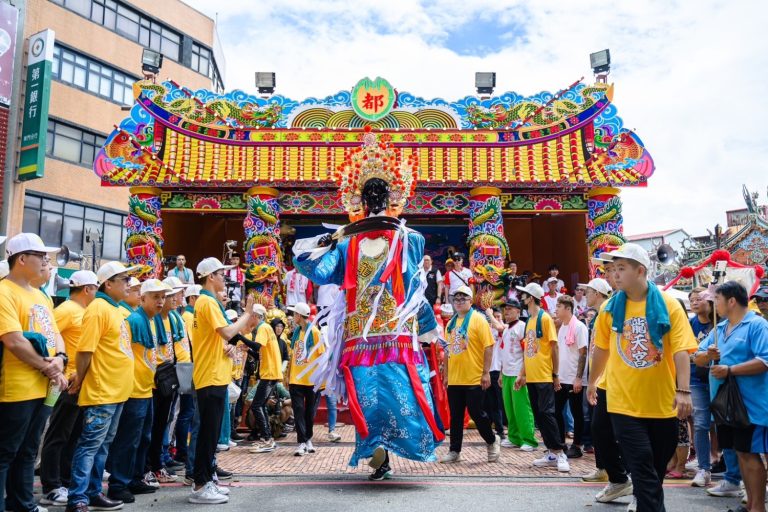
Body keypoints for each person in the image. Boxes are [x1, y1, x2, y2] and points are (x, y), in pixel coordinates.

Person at [293, 131, 442, 481]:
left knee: (402, 394)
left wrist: (425, 325)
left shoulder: (410, 240)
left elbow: (415, 288)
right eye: (368, 194)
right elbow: (318, 270)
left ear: (392, 197)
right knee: (368, 399)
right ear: (359, 200)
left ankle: (398, 449)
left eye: (381, 193)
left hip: (396, 333)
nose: (374, 199)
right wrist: (327, 242)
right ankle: (379, 456)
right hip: (360, 336)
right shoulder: (347, 245)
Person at [587, 243, 697, 512]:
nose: (614, 274)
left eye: (621, 268)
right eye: (612, 269)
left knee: (654, 472)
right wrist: (592, 381)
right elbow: (601, 348)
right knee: (641, 464)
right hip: (622, 402)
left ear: (640, 271)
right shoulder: (610, 309)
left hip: (661, 404)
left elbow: (682, 349)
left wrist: (683, 390)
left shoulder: (669, 306)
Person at [0, 234, 67, 512]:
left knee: (28, 451)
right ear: (22, 259)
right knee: (6, 452)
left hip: (45, 387)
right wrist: (47, 366)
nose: (46, 262)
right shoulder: (4, 292)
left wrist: (61, 360)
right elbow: (13, 340)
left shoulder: (40, 295)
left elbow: (55, 335)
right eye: (41, 256)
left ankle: (23, 504)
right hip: (17, 388)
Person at [66, 261, 139, 512]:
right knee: (89, 445)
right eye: (124, 280)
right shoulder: (98, 308)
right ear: (108, 284)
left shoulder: (115, 309)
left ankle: (93, 492)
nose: (129, 284)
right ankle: (77, 498)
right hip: (102, 390)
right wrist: (80, 378)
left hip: (116, 391)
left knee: (102, 446)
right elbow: (85, 351)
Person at [188, 257, 257, 505]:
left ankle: (206, 479)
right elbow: (228, 332)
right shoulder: (207, 302)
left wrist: (226, 346)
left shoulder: (208, 302)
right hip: (210, 376)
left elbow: (220, 337)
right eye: (220, 274)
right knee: (208, 434)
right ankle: (200, 484)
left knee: (211, 433)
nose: (224, 279)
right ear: (210, 277)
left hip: (213, 373)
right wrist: (247, 313)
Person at [694, 281, 768, 512]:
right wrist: (708, 355)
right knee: (741, 454)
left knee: (750, 454)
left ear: (731, 301)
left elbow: (765, 360)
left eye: (716, 299)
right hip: (725, 405)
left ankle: (757, 507)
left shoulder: (756, 325)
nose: (713, 304)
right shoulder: (720, 328)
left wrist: (730, 370)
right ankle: (751, 506)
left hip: (751, 404)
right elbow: (696, 357)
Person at [105, 279, 171, 503]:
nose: (160, 301)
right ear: (142, 298)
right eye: (155, 297)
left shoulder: (153, 321)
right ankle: (118, 484)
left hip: (146, 389)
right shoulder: (134, 320)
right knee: (128, 439)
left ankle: (134, 478)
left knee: (143, 438)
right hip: (133, 390)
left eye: (163, 297)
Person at [40, 271, 98, 507]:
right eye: (95, 287)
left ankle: (64, 480)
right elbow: (49, 339)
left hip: (79, 382)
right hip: (64, 383)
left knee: (72, 435)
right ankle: (51, 486)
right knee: (58, 435)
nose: (97, 291)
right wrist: (57, 371)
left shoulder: (84, 311)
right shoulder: (65, 310)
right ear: (86, 289)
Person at [578, 277, 632, 504]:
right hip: (602, 381)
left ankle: (631, 482)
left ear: (598, 293)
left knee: (624, 433)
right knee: (599, 428)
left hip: (618, 381)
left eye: (588, 291)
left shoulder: (612, 312)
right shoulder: (600, 315)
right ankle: (613, 475)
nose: (584, 294)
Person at [439, 285, 500, 464]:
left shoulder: (478, 320)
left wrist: (486, 372)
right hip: (456, 378)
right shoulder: (451, 323)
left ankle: (491, 440)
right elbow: (448, 350)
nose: (458, 302)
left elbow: (489, 345)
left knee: (477, 413)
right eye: (455, 299)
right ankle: (454, 450)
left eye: (463, 299)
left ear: (470, 301)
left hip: (474, 376)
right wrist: (447, 374)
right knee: (456, 416)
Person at [514, 282, 569, 472]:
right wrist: (522, 374)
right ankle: (551, 452)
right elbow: (528, 352)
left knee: (547, 414)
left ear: (531, 298)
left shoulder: (544, 318)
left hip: (545, 375)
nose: (521, 298)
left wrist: (555, 375)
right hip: (532, 377)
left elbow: (554, 347)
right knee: (540, 415)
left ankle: (560, 452)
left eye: (524, 295)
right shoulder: (530, 320)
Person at [497, 299, 537, 451]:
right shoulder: (507, 328)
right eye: (505, 309)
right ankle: (514, 437)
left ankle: (529, 439)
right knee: (509, 408)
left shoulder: (522, 327)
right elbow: (503, 353)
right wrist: (501, 373)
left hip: (517, 373)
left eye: (510, 309)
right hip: (507, 372)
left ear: (519, 311)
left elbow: (527, 352)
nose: (506, 311)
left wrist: (524, 374)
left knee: (522, 408)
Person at [687, 287, 715, 487]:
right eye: (692, 300)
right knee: (701, 423)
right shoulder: (690, 324)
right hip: (696, 379)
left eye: (699, 299)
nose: (695, 303)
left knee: (724, 424)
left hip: (718, 377)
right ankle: (704, 469)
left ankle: (733, 472)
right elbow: (685, 352)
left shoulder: (720, 323)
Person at [287, 302, 324, 456]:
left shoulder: (314, 332)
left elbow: (322, 354)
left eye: (294, 314)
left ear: (299, 316)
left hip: (311, 380)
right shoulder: (295, 333)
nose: (292, 316)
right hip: (296, 379)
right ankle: (302, 442)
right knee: (298, 411)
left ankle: (308, 439)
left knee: (309, 412)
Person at [554, 295, 589, 459]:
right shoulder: (562, 327)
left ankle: (577, 445)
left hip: (574, 378)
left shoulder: (579, 327)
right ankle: (561, 443)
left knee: (577, 413)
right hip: (561, 377)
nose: (556, 310)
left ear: (568, 308)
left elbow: (583, 353)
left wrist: (578, 378)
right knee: (556, 411)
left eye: (559, 307)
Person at [247, 304, 284, 453]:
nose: (248, 318)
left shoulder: (263, 328)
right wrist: (247, 348)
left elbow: (257, 346)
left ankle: (267, 439)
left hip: (269, 374)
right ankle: (267, 438)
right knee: (259, 405)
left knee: (257, 406)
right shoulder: (266, 328)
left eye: (250, 315)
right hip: (270, 373)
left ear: (256, 316)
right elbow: (259, 353)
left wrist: (240, 338)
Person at [484, 307, 506, 440]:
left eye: (499, 316)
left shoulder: (505, 328)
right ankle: (497, 431)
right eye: (495, 316)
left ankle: (503, 430)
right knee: (490, 403)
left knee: (500, 402)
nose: (497, 319)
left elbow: (500, 327)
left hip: (500, 370)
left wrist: (491, 315)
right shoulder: (486, 330)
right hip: (487, 370)